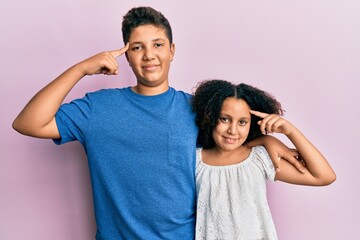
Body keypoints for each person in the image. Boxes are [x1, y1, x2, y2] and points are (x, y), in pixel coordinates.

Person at [12, 6, 305, 240]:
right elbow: (28, 123)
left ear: (172, 51)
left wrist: (266, 139)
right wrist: (80, 69)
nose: (149, 55)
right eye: (137, 47)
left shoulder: (196, 108)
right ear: (126, 55)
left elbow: (230, 140)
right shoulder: (97, 107)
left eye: (158, 44)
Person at [191, 79, 336, 240]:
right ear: (210, 117)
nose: (232, 130)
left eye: (242, 122)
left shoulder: (258, 159)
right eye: (224, 119)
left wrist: (290, 131)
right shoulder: (194, 161)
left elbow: (324, 176)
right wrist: (266, 140)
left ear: (252, 124)